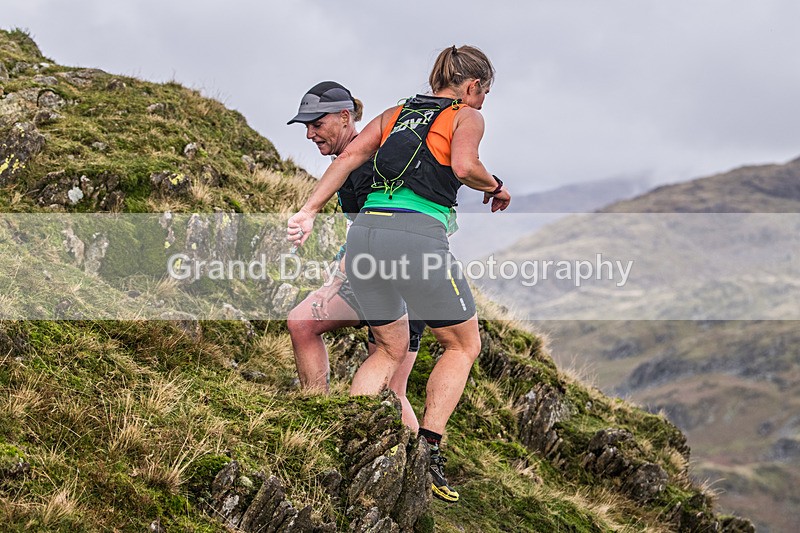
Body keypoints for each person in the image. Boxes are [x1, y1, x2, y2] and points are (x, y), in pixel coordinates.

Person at [287, 46, 510, 503]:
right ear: (471, 87)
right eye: (484, 92)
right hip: (416, 239)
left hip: (366, 237)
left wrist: (309, 210)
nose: (483, 100)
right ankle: (429, 450)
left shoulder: (395, 112)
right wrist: (497, 187)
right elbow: (465, 167)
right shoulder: (466, 116)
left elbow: (347, 159)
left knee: (388, 348)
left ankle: (341, 437)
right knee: (464, 344)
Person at [285, 81, 425, 432]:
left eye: (317, 124)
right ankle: (317, 418)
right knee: (302, 323)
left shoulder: (373, 165)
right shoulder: (345, 167)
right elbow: (357, 233)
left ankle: (426, 469)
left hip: (408, 284)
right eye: (306, 126)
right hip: (368, 276)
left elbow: (373, 232)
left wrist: (332, 284)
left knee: (393, 390)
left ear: (345, 117)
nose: (309, 134)